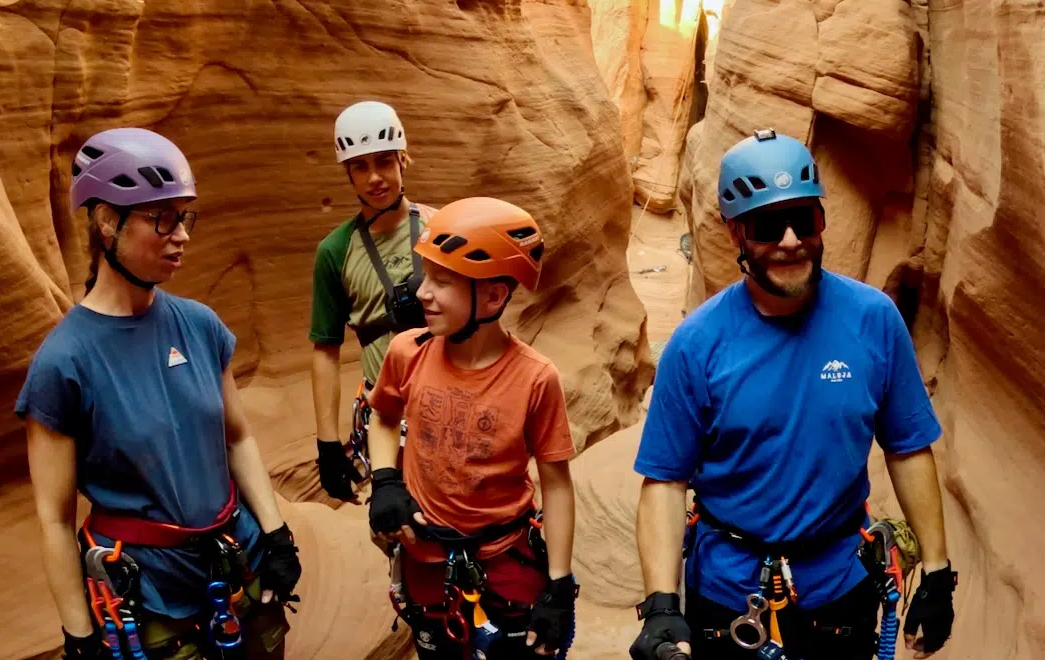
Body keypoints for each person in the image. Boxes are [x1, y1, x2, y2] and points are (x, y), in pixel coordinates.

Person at [628, 129, 957, 660]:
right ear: (736, 234)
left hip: (840, 589)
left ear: (821, 221)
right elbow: (665, 481)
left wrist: (939, 573)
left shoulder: (873, 321)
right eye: (765, 225)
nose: (789, 240)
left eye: (803, 219)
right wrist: (662, 604)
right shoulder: (697, 344)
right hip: (728, 598)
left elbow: (907, 445)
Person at [17, 127, 302, 660]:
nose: (182, 234)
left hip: (239, 569)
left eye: (184, 217)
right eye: (162, 217)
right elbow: (54, 518)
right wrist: (79, 636)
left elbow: (236, 438)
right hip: (149, 599)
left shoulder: (201, 326)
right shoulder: (63, 364)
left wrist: (277, 533)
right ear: (106, 221)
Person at [363, 197, 579, 659]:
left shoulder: (535, 378)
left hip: (506, 564)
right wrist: (385, 480)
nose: (423, 292)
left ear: (495, 296)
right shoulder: (407, 351)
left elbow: (556, 484)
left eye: (442, 281)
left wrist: (559, 584)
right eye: (426, 274)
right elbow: (383, 414)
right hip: (426, 561)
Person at [309, 100, 436, 501]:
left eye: (384, 161)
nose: (374, 177)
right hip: (388, 417)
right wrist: (328, 445)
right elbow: (325, 349)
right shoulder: (336, 251)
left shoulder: (442, 227)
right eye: (360, 167)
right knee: (395, 530)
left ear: (403, 159)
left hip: (449, 401)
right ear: (348, 173)